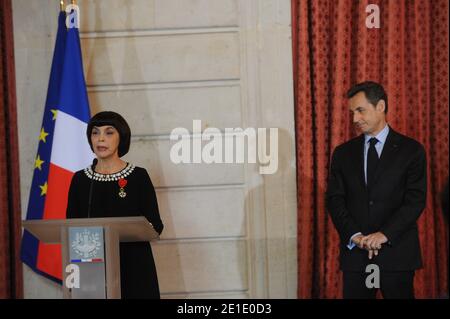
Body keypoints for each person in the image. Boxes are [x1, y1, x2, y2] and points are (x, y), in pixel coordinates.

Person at [326, 81, 427, 299]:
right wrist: (356, 236)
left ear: (380, 106)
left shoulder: (412, 151)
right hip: (357, 258)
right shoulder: (342, 153)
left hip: (396, 254)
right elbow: (335, 200)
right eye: (352, 112)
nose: (355, 119)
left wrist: (384, 235)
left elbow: (415, 201)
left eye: (360, 110)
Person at [66, 111, 164, 299]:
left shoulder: (138, 177)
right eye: (95, 133)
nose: (101, 138)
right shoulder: (80, 180)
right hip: (92, 268)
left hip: (134, 264)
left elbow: (156, 225)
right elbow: (71, 227)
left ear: (122, 138)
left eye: (109, 132)